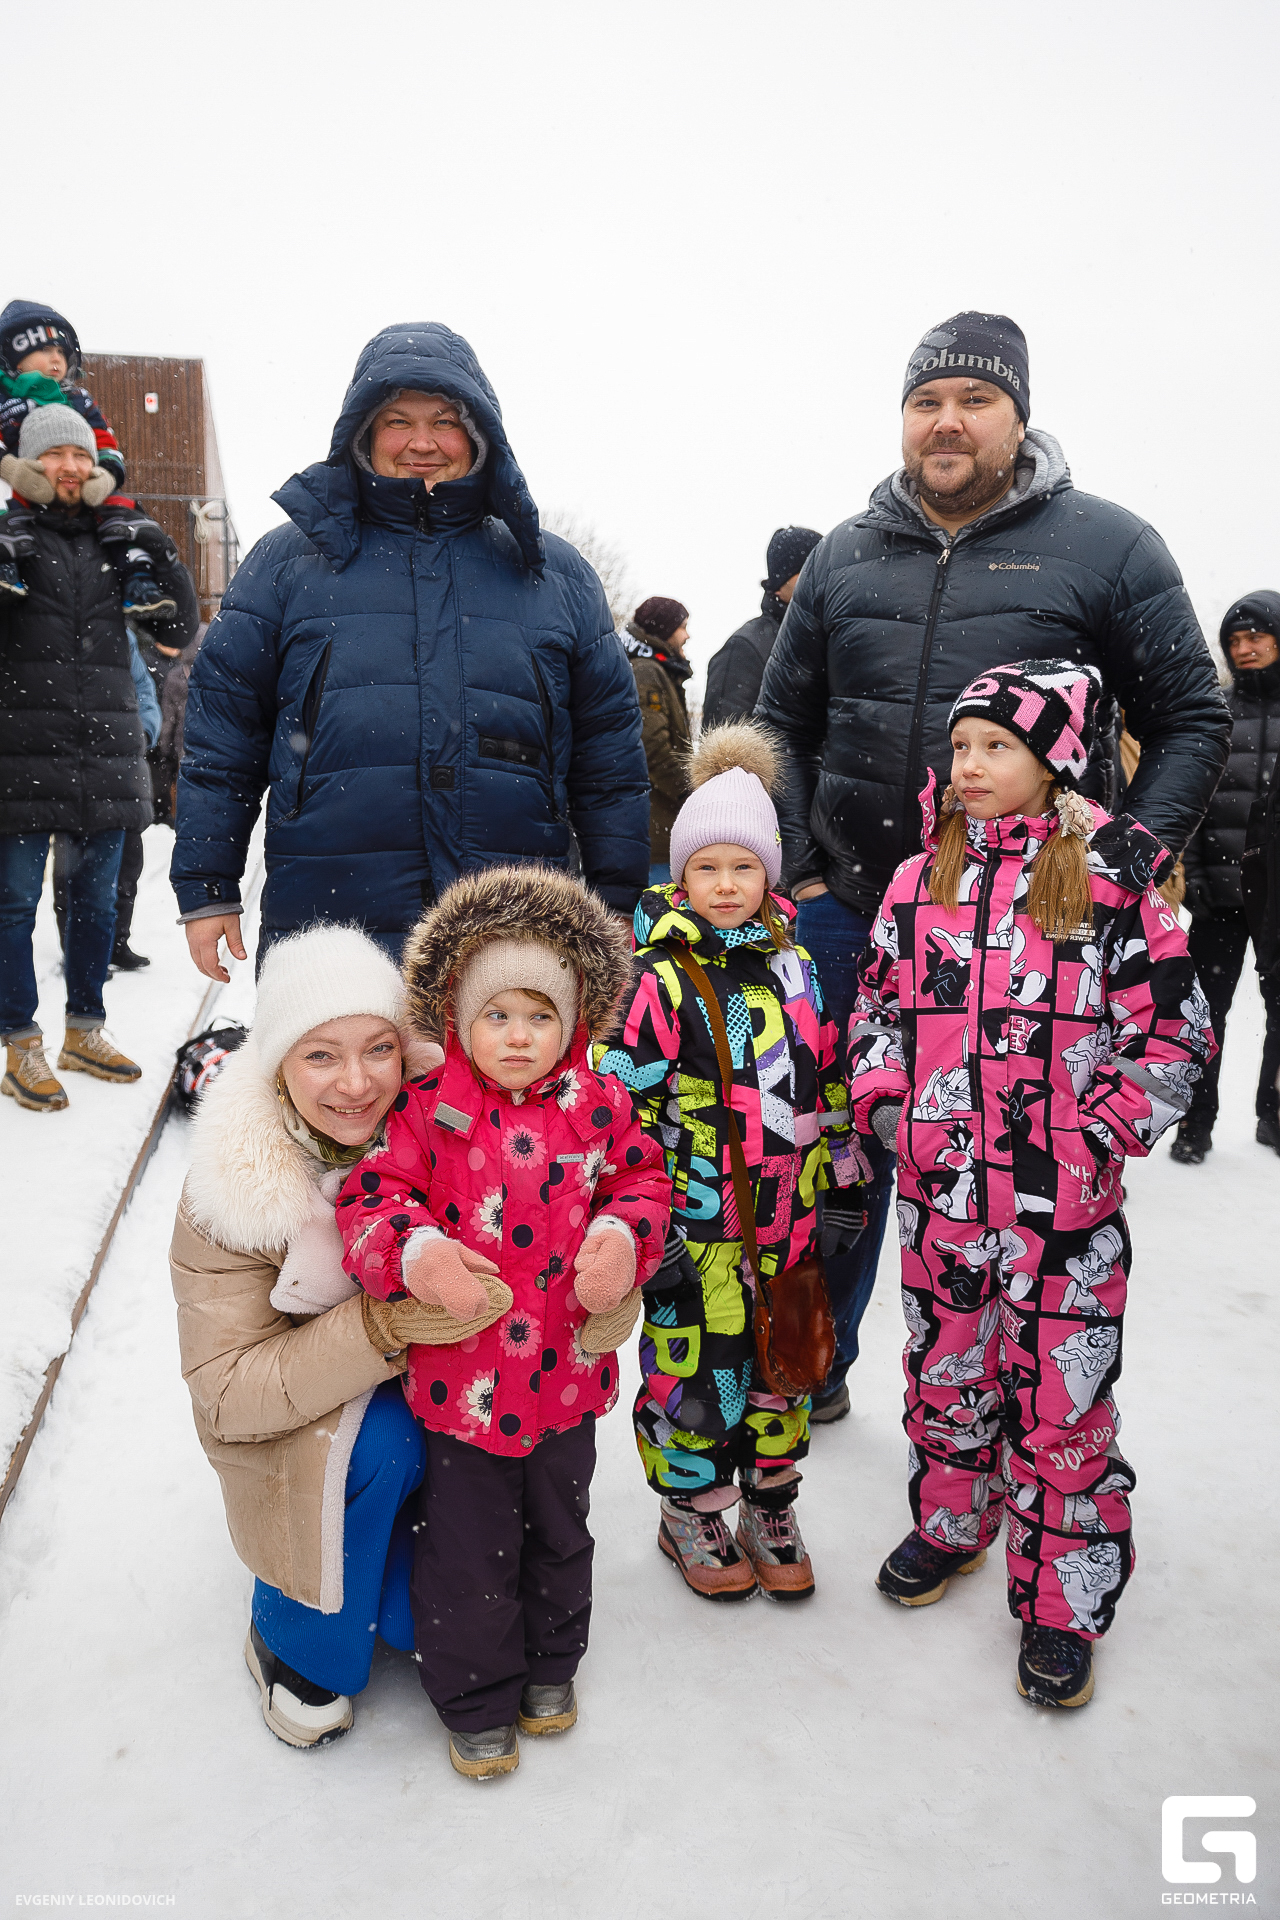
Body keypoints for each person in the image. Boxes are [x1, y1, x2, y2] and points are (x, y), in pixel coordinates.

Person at [756, 310, 1231, 1428]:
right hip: (854, 907)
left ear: (1019, 417)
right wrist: (804, 869)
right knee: (831, 1147)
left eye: (974, 399)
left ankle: (1021, 1395)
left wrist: (1122, 859)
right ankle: (814, 1364)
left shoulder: (1108, 545)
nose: (947, 421)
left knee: (1013, 1159)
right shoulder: (844, 553)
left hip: (1034, 922)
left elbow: (1189, 717)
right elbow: (780, 722)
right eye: (926, 401)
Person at [845, 660, 1214, 1709]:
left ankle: (1062, 1599)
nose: (968, 765)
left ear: (1054, 761)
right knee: (945, 1373)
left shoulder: (1108, 880)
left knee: (1061, 1407)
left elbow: (1173, 1035)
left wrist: (1096, 1137)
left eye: (996, 746)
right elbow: (874, 1011)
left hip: (1065, 1221)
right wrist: (889, 1107)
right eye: (959, 745)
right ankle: (951, 1520)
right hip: (941, 1203)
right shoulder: (919, 881)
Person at [172, 324, 649, 984]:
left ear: (479, 435)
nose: (422, 443)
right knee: (341, 1058)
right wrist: (207, 885)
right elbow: (223, 739)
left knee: (502, 1058)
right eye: (397, 421)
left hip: (512, 920)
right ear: (363, 433)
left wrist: (617, 896)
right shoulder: (286, 564)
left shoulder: (553, 573)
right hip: (330, 913)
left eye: (445, 422)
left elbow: (608, 754)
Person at [338, 866, 670, 1780]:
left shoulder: (599, 1106)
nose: (518, 1036)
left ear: (574, 1022)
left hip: (567, 1380)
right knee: (467, 1554)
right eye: (497, 1015)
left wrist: (620, 1236)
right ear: (458, 1019)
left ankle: (552, 1667)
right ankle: (476, 1700)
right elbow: (371, 1203)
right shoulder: (428, 1112)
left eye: (539, 1015)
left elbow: (644, 1183)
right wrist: (417, 1255)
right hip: (462, 1391)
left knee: (562, 1533)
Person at [596, 723, 860, 1605]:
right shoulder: (655, 980)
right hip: (695, 1231)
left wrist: (843, 1179)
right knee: (700, 1379)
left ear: (769, 875)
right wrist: (645, 1227)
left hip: (790, 1227)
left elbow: (825, 1078)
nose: (725, 885)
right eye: (706, 867)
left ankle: (770, 1504)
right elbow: (619, 1112)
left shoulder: (797, 968)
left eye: (743, 867)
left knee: (787, 1369)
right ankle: (693, 1508)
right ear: (681, 876)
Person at [172, 925, 452, 1749]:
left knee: (423, 1627)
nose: (357, 1083)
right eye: (321, 1056)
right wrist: (377, 1328)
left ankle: (407, 1576)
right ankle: (291, 1636)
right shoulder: (233, 1188)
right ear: (278, 1065)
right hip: (303, 1423)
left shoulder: (445, 1130)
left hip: (439, 1395)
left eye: (378, 1049)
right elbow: (226, 1389)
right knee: (385, 1447)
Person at [0, 411, 197, 1113]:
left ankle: (85, 1030)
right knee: (13, 904)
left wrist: (160, 547)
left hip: (107, 753)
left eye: (80, 456)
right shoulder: (10, 537)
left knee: (95, 904)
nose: (71, 467)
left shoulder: (120, 540)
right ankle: (20, 1042)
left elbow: (178, 628)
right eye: (54, 454)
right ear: (29, 464)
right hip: (21, 755)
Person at [1174, 594, 1280, 1162]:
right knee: (1202, 1015)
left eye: (1255, 636)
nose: (1244, 649)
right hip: (1219, 895)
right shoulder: (1216, 713)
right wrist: (1192, 876)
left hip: (1278, 900)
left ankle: (1274, 1113)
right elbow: (1191, 801)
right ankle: (1195, 1124)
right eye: (1234, 640)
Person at [0, 300, 175, 619]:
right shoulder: (3, 400)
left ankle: (138, 580)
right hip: (19, 488)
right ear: (14, 357)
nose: (57, 359)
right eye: (45, 350)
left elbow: (106, 442)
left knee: (123, 515)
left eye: (61, 352)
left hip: (78, 490)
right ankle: (6, 567)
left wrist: (105, 476)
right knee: (5, 508)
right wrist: (11, 469)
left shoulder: (79, 400)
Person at [52, 629, 160, 972]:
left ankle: (116, 942)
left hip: (123, 768)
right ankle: (77, 948)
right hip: (71, 769)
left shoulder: (121, 636)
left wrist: (142, 733)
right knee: (73, 866)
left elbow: (145, 691)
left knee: (128, 863)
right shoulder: (51, 628)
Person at [702, 527, 820, 731]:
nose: (820, 579)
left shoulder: (829, 639)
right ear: (780, 583)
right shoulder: (745, 647)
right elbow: (725, 742)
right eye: (809, 569)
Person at [621, 596, 693, 885]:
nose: (687, 635)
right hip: (657, 827)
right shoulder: (646, 671)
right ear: (664, 629)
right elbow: (651, 747)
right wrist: (691, 792)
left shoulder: (657, 670)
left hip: (659, 826)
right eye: (682, 627)